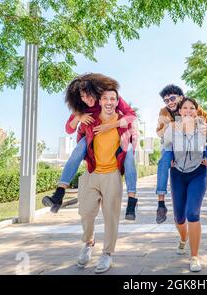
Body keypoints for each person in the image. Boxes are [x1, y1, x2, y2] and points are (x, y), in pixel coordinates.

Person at [42, 73, 140, 220]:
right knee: (78, 151)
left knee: (129, 154)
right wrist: (78, 117)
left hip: (116, 134)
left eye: (89, 96)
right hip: (92, 139)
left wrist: (109, 126)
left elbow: (131, 116)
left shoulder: (107, 98)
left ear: (96, 92)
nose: (86, 100)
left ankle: (132, 201)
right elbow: (69, 129)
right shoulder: (81, 107)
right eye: (82, 96)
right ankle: (59, 194)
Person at [76, 87, 134, 273]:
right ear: (99, 101)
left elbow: (132, 133)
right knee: (85, 212)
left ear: (117, 102)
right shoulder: (89, 120)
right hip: (91, 173)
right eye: (105, 98)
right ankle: (88, 242)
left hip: (112, 174)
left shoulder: (123, 122)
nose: (109, 102)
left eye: (113, 99)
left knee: (111, 216)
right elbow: (79, 143)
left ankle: (107, 254)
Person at [155, 85, 207, 224]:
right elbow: (160, 134)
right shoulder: (164, 112)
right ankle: (161, 205)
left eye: (172, 98)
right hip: (172, 144)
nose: (170, 102)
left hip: (196, 146)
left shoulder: (194, 108)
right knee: (164, 159)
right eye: (166, 100)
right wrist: (173, 126)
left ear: (181, 97)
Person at [163, 97, 207, 272]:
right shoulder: (172, 129)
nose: (188, 111)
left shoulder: (204, 129)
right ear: (179, 111)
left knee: (192, 213)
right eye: (185, 108)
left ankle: (194, 256)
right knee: (179, 217)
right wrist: (170, 159)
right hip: (177, 174)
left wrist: (206, 157)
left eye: (192, 108)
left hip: (198, 172)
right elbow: (165, 148)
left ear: (196, 111)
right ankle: (183, 238)